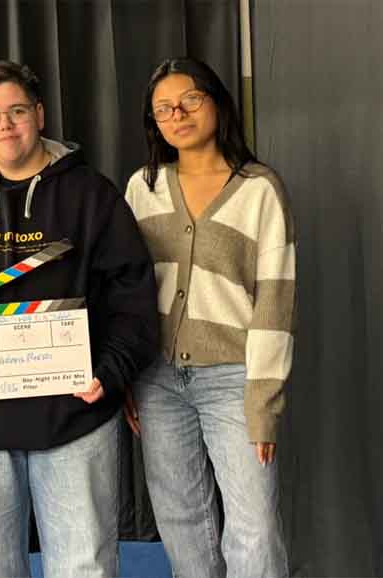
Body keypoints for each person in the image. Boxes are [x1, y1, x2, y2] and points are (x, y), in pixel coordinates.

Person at [0, 60, 159, 578]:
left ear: (39, 114)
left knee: (85, 565)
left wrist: (110, 374)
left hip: (76, 413)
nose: (5, 125)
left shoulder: (94, 197)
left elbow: (133, 300)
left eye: (17, 111)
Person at [123, 57, 294, 578]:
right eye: (163, 109)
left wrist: (264, 399)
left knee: (254, 527)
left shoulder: (259, 189)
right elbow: (126, 290)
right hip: (156, 379)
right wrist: (126, 374)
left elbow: (276, 300)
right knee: (181, 521)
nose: (178, 114)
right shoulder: (142, 188)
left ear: (217, 103)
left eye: (190, 100)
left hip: (235, 379)